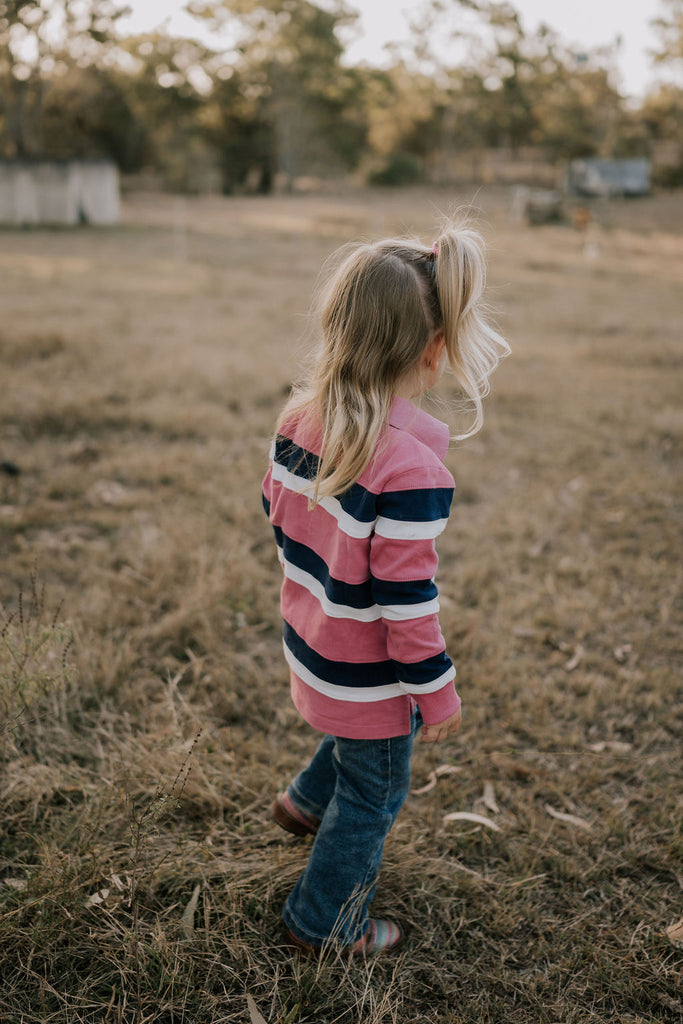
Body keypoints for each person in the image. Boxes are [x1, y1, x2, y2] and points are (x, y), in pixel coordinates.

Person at [261, 220, 509, 956]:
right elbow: (406, 605)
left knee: (354, 745)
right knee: (374, 792)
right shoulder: (410, 469)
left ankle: (304, 802)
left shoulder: (298, 419)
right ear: (435, 349)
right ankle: (323, 920)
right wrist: (435, 691)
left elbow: (275, 514)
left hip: (312, 644)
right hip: (370, 677)